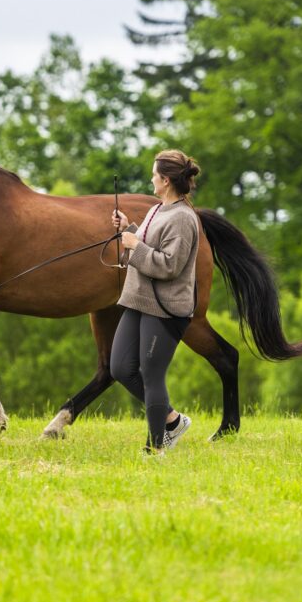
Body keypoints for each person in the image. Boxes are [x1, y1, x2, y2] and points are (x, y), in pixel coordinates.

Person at [110, 150, 201, 455]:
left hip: (165, 308)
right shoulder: (157, 210)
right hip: (139, 300)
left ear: (165, 180)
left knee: (151, 375)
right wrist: (128, 229)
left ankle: (155, 448)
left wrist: (135, 246)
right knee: (121, 368)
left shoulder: (183, 219)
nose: (150, 178)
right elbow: (148, 246)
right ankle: (173, 421)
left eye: (154, 174)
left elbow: (169, 266)